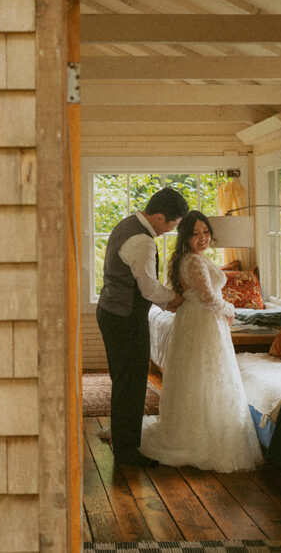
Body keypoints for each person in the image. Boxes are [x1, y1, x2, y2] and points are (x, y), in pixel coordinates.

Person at [140, 210, 262, 472]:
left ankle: (199, 427)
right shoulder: (193, 262)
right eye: (195, 234)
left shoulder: (192, 258)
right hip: (202, 321)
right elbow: (208, 297)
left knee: (201, 376)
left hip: (201, 321)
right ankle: (199, 437)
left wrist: (224, 313)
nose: (202, 238)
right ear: (186, 237)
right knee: (204, 375)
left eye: (205, 232)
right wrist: (231, 310)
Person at [96, 187, 188, 467]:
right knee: (132, 382)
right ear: (160, 217)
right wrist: (174, 298)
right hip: (124, 317)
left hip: (111, 312)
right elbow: (147, 287)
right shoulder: (142, 240)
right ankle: (127, 452)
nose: (172, 229)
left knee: (124, 380)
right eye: (173, 223)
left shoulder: (127, 224)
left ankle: (123, 438)